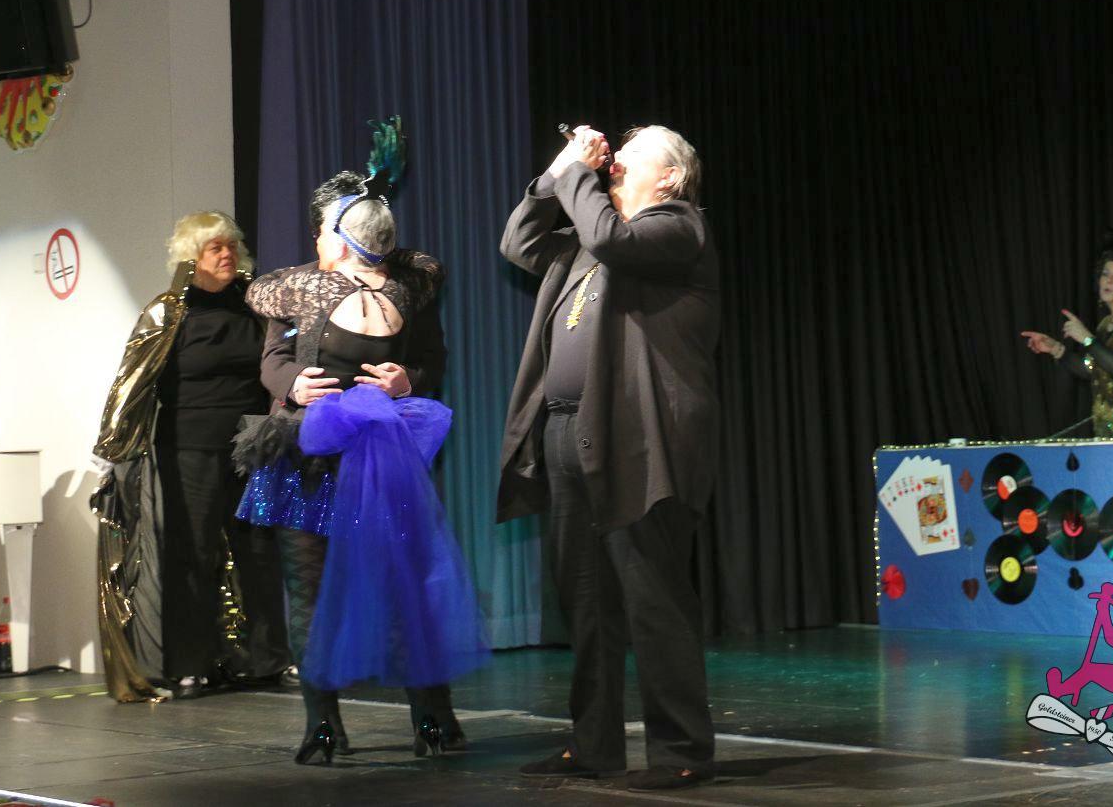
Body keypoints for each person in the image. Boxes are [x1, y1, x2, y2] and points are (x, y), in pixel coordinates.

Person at [234, 166, 487, 765]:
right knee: (309, 591)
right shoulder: (296, 290)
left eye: (326, 228)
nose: (318, 239)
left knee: (406, 583)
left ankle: (432, 714)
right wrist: (293, 384)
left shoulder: (405, 290)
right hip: (305, 456)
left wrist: (408, 379)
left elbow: (431, 358)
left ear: (345, 235)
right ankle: (322, 724)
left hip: (379, 458)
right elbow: (271, 360)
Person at [498, 124, 720, 791]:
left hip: (640, 436)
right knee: (586, 597)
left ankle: (680, 749)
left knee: (652, 593)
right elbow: (519, 243)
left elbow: (611, 239)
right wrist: (557, 172)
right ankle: (594, 743)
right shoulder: (588, 241)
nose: (616, 161)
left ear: (671, 177)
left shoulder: (677, 228)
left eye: (633, 154)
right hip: (570, 429)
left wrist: (579, 175)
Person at [91, 212, 291, 702]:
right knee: (193, 553)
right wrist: (111, 447)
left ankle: (265, 659)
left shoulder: (255, 308)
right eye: (214, 247)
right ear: (192, 257)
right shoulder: (168, 313)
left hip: (251, 446)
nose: (226, 254)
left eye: (230, 245)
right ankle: (189, 665)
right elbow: (131, 381)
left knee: (258, 551)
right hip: (189, 447)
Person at [1021, 226, 1113, 438]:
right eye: (1105, 274)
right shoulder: (1104, 325)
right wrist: (1056, 349)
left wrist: (1086, 338)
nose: (1109, 280)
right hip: (1108, 426)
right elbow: (1092, 370)